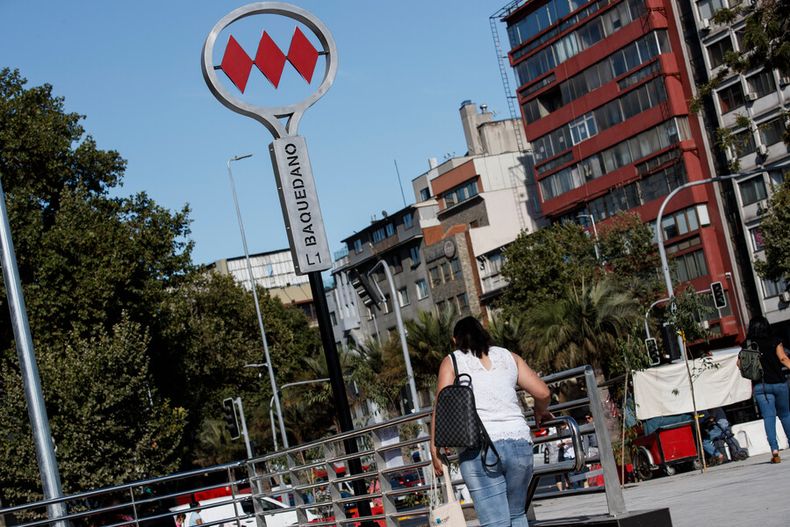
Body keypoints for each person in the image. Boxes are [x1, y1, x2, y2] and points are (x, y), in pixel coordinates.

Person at [431, 316, 551, 527]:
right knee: (517, 515)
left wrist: (435, 448)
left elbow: (441, 406)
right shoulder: (509, 356)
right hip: (520, 444)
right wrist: (540, 411)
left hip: (480, 449)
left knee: (496, 523)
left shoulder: (452, 361)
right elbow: (543, 392)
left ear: (455, 340)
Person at [741, 316, 790, 464]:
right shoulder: (775, 341)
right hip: (779, 383)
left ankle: (774, 450)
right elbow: (783, 358)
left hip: (760, 386)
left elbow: (739, 363)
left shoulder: (748, 344)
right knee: (785, 415)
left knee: (769, 417)